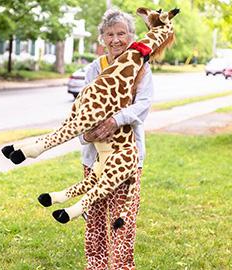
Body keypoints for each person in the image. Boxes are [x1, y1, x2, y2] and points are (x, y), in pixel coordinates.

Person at [79, 8, 154, 270]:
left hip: (126, 157)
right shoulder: (94, 69)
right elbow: (83, 106)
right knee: (95, 218)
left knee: (122, 220)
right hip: (94, 157)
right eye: (109, 34)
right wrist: (85, 133)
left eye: (121, 33)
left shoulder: (141, 68)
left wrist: (115, 120)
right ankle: (96, 266)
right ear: (102, 38)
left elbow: (143, 105)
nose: (116, 39)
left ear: (131, 37)